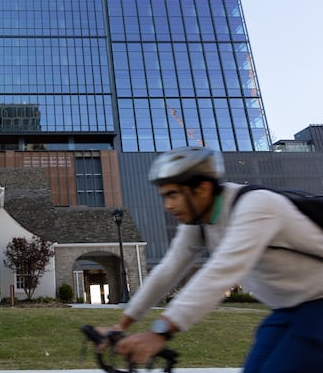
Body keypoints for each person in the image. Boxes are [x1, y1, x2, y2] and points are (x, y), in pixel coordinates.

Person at [102, 146, 323, 372]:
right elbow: (167, 270)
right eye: (164, 196)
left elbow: (221, 271)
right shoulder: (199, 224)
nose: (167, 206)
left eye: (173, 195)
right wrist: (122, 324)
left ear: (202, 188)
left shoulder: (256, 206)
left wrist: (162, 331)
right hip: (288, 309)